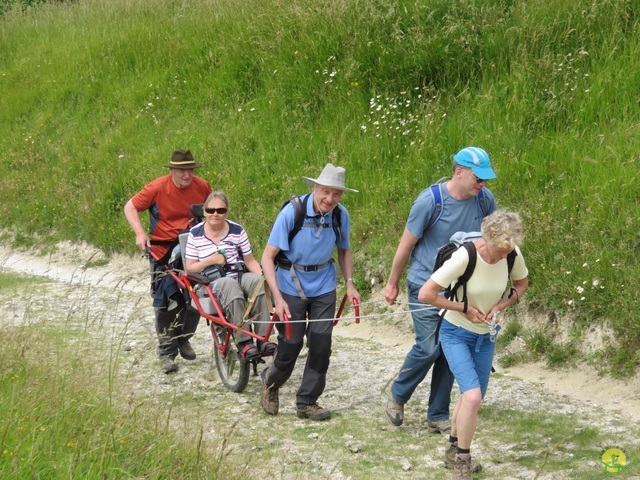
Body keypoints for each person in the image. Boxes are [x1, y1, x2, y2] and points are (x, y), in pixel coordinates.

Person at [383, 146, 497, 434]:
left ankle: (437, 413)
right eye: (478, 178)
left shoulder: (485, 202)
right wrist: (392, 282)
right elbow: (405, 245)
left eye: (485, 179)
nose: (483, 184)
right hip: (425, 284)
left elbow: (491, 244)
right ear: (459, 172)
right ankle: (398, 395)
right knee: (428, 348)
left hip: (459, 289)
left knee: (450, 350)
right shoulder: (430, 202)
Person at [418, 210, 529, 479]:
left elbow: (521, 283)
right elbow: (426, 294)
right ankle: (462, 465)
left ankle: (452, 451)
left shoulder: (511, 253)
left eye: (508, 251)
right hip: (455, 331)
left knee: (472, 398)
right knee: (472, 396)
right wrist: (463, 307)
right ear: (487, 237)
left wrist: (501, 305)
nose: (504, 255)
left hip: (486, 335)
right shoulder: (465, 256)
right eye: (500, 250)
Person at [260, 163, 361, 421]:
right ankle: (271, 385)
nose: (330, 199)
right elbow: (267, 257)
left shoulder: (340, 215)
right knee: (291, 343)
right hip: (290, 285)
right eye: (325, 191)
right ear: (314, 187)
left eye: (336, 194)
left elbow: (344, 250)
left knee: (320, 344)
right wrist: (278, 299)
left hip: (324, 285)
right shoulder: (292, 212)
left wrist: (349, 283)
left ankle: (307, 401)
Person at [124, 149, 212, 374]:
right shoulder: (156, 188)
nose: (187, 175)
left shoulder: (202, 187)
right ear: (172, 170)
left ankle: (183, 338)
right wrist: (140, 234)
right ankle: (166, 351)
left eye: (190, 170)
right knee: (165, 301)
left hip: (193, 247)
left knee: (197, 295)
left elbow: (213, 214)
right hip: (162, 250)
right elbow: (131, 206)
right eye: (182, 171)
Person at [184, 191, 275, 358]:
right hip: (210, 281)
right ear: (204, 211)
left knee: (257, 282)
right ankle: (244, 341)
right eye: (211, 210)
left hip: (238, 273)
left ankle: (263, 338)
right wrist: (211, 260)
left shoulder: (237, 230)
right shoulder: (195, 233)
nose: (215, 214)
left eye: (220, 210)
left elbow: (249, 261)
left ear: (227, 212)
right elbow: (190, 268)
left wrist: (265, 276)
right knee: (229, 285)